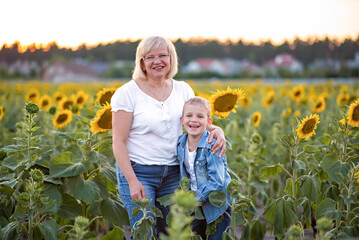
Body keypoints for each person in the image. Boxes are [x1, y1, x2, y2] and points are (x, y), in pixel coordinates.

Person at [110, 36, 226, 238]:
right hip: (139, 172)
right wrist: (132, 181)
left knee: (174, 232)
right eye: (150, 57)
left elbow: (195, 120)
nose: (157, 61)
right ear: (142, 62)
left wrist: (217, 130)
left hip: (174, 173)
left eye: (163, 55)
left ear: (171, 59)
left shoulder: (183, 89)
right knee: (143, 232)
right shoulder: (127, 93)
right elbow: (118, 141)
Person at [177, 96, 232, 240]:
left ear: (209, 122)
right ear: (182, 121)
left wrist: (195, 199)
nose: (194, 120)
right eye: (189, 116)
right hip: (196, 204)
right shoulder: (181, 143)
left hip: (216, 205)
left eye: (200, 116)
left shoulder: (213, 145)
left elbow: (217, 181)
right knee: (195, 236)